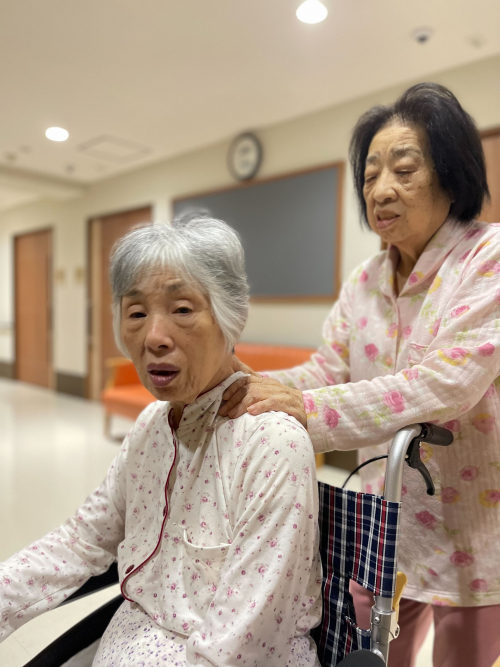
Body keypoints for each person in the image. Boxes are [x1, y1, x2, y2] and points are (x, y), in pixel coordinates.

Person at [220, 83, 500, 667]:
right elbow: (327, 370)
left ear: (452, 177)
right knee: (370, 652)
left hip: (473, 527)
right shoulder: (365, 281)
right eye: (370, 175)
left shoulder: (488, 258)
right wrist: (243, 383)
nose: (380, 189)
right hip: (385, 518)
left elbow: (445, 384)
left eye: (404, 169)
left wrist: (308, 410)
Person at [0, 217, 322, 666]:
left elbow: (241, 643)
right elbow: (82, 541)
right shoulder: (152, 424)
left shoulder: (271, 444)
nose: (154, 337)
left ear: (230, 316)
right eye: (136, 313)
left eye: (182, 310)